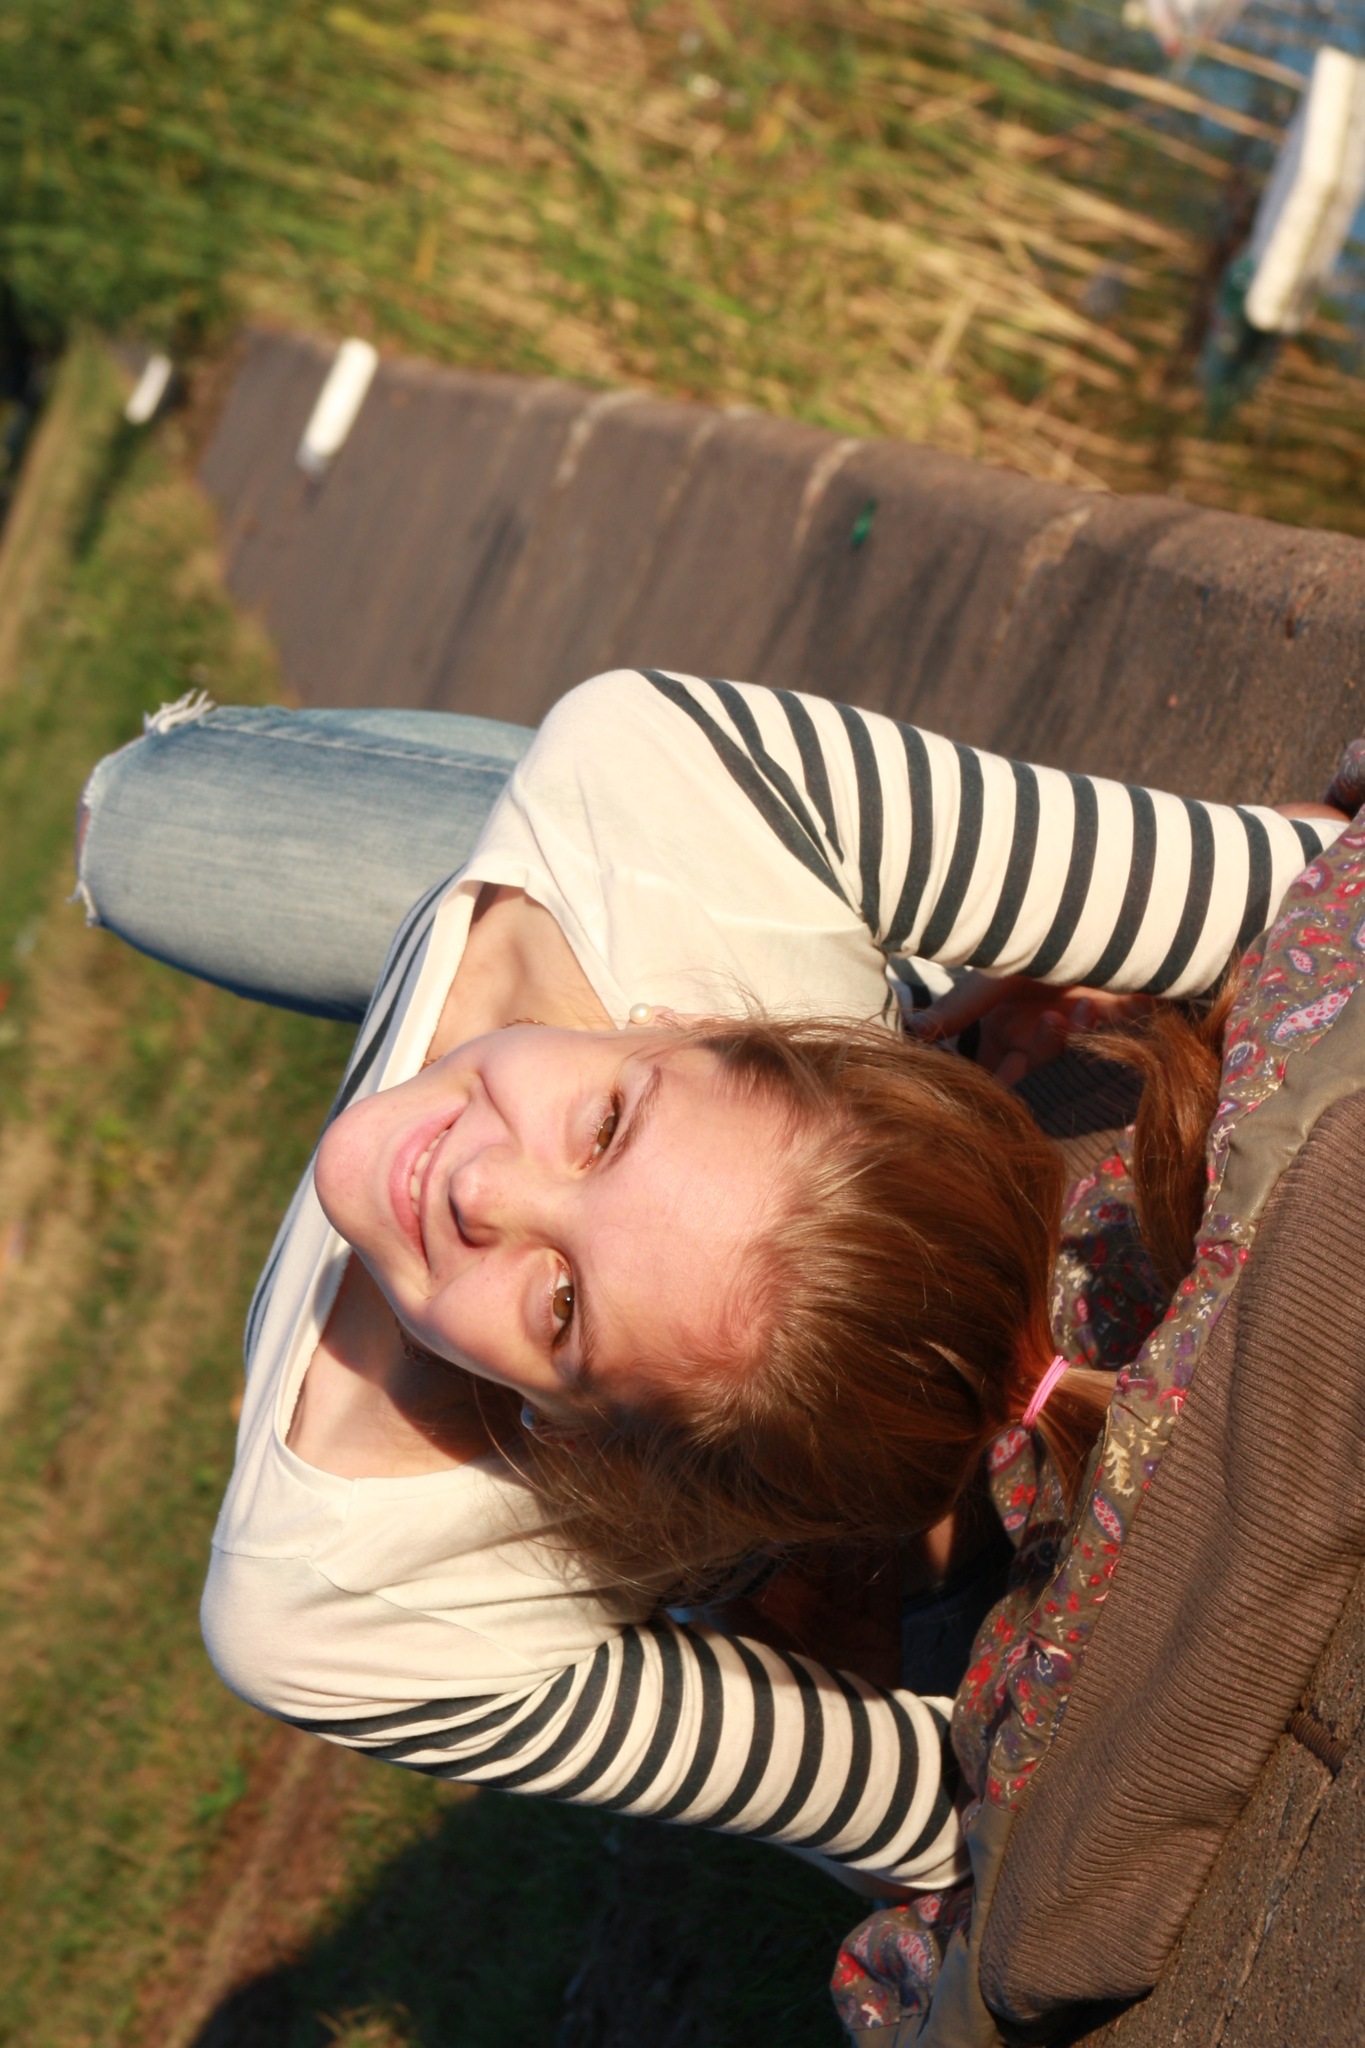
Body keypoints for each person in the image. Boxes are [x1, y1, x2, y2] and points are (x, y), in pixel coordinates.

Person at [76, 668, 1346, 1893]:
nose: (476, 1184)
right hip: (685, 894)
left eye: (562, 1305)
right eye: (604, 1127)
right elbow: (1307, 887)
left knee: (117, 821)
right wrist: (1123, 935)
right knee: (137, 820)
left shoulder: (326, 1607)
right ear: (701, 1022)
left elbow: (935, 1814)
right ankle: (903, 1014)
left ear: (578, 1436)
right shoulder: (666, 785)